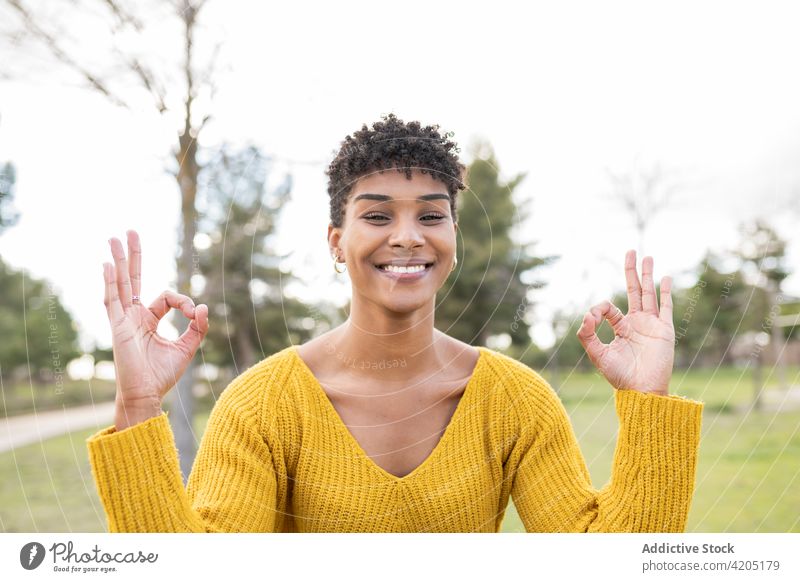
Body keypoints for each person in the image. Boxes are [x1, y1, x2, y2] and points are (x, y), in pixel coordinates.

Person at [87, 113, 703, 533]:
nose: (408, 236)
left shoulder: (516, 402)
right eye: (377, 216)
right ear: (337, 240)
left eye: (431, 216)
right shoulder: (262, 406)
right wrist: (137, 402)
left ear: (453, 236)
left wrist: (648, 401)